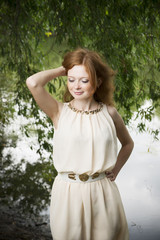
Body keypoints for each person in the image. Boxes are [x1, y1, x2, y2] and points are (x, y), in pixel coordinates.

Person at [26, 48, 134, 240]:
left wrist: (116, 170)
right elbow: (33, 83)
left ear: (98, 81)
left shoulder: (110, 113)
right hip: (68, 193)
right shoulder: (59, 111)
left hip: (103, 192)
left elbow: (128, 144)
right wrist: (65, 68)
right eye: (71, 79)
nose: (76, 86)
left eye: (84, 80)